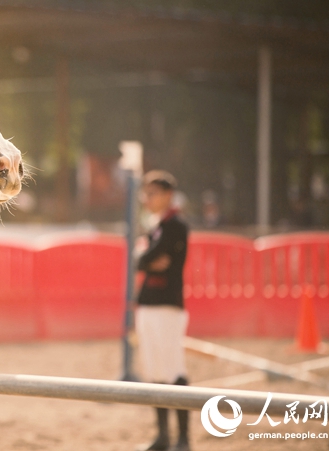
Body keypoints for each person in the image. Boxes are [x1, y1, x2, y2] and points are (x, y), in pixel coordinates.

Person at [135, 170, 190, 451]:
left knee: (173, 370)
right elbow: (144, 259)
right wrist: (147, 259)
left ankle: (183, 437)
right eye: (146, 193)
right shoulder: (156, 225)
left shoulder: (175, 226)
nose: (147, 198)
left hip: (167, 305)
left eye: (152, 193)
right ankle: (163, 436)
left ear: (168, 195)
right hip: (148, 303)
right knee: (155, 370)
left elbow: (151, 256)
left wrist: (146, 257)